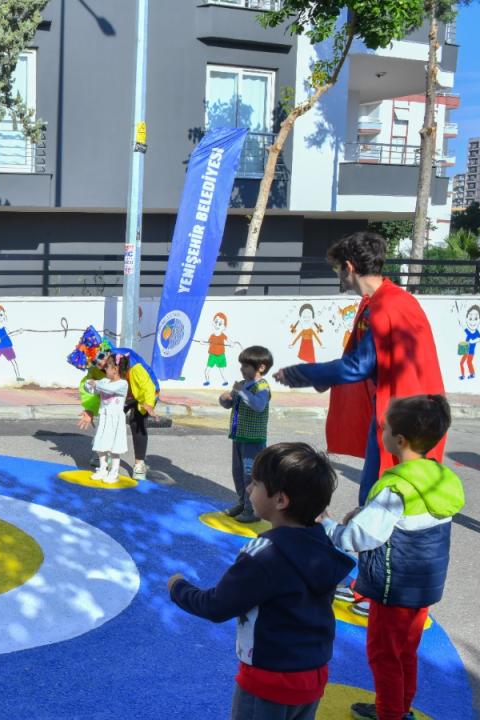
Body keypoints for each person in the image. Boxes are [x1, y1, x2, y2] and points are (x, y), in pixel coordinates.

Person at [169, 443, 353, 720]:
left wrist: (178, 588)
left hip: (269, 682)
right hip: (311, 676)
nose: (248, 489)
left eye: (255, 483)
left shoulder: (265, 554)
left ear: (280, 500)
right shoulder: (322, 545)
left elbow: (217, 606)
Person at [273, 231, 445, 507]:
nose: (339, 277)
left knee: (380, 494)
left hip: (401, 415)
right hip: (411, 412)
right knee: (405, 494)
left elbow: (358, 366)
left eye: (338, 269)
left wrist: (299, 374)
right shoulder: (391, 300)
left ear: (349, 267)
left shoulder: (385, 305)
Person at [320, 395, 464, 720]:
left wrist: (328, 525)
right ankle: (399, 709)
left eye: (384, 428)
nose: (380, 433)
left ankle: (389, 714)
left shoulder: (395, 488)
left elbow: (357, 538)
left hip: (393, 589)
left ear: (399, 440)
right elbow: (409, 520)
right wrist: (366, 511)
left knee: (384, 656)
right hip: (424, 587)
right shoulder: (436, 479)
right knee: (405, 653)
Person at [71, 327, 159, 481]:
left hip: (140, 393)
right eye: (94, 363)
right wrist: (90, 409)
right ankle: (105, 456)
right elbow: (93, 389)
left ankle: (139, 464)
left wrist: (148, 403)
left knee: (137, 422)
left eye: (100, 359)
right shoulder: (96, 369)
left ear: (106, 352)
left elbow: (146, 385)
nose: (100, 365)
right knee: (108, 422)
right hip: (116, 397)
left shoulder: (129, 361)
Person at [219, 346, 274, 524]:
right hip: (239, 437)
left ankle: (252, 510)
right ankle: (243, 503)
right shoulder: (242, 384)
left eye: (246, 366)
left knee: (251, 475)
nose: (242, 369)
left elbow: (258, 405)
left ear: (261, 367)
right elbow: (230, 404)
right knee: (238, 473)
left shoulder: (262, 386)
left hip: (253, 440)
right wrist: (225, 399)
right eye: (241, 365)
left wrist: (241, 392)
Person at [84, 351, 129, 483]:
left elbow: (109, 389)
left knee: (114, 447)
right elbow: (90, 389)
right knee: (100, 443)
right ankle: (103, 468)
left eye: (107, 367)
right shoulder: (105, 381)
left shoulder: (122, 384)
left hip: (115, 420)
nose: (105, 369)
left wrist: (95, 383)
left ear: (115, 369)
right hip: (104, 417)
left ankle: (114, 471)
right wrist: (89, 383)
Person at [456, 304, 480, 380]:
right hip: (466, 351)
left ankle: (472, 374)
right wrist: (460, 321)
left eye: (475, 319)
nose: (472, 322)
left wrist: (472, 341)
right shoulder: (469, 333)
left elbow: (478, 339)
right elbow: (464, 328)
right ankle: (463, 375)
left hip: (471, 352)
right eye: (470, 318)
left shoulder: (477, 333)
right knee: (462, 363)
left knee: (468, 362)